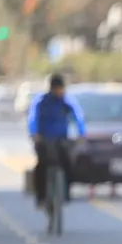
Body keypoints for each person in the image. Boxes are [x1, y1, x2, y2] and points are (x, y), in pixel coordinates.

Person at [27, 74, 86, 209]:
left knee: (68, 165)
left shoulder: (66, 101)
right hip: (44, 139)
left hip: (61, 139)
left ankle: (65, 193)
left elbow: (78, 117)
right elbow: (33, 118)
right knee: (41, 167)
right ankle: (41, 197)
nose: (59, 91)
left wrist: (81, 133)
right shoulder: (41, 101)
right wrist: (34, 133)